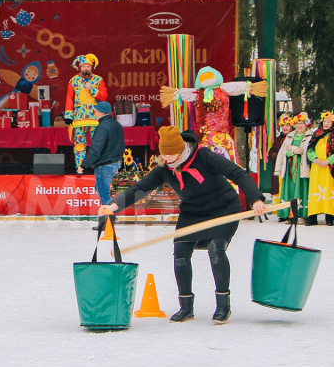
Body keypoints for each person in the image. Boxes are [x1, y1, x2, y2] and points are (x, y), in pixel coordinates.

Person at [100, 126, 266, 324]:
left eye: (171, 154)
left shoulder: (204, 156)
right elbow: (140, 188)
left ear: (181, 149)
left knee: (216, 249)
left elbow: (237, 173)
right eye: (164, 154)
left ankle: (223, 306)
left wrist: (256, 199)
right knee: (180, 252)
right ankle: (186, 307)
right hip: (192, 211)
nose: (167, 158)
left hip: (223, 208)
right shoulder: (164, 169)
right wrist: (114, 206)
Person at [77, 101, 125, 230]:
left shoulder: (102, 127)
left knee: (104, 194)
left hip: (104, 164)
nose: (95, 112)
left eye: (96, 110)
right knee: (99, 188)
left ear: (101, 112)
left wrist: (83, 165)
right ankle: (111, 215)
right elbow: (121, 145)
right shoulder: (117, 125)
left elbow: (95, 149)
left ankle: (106, 222)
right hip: (113, 163)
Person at [64, 54, 108, 168]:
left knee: (97, 143)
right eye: (84, 66)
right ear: (80, 67)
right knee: (79, 144)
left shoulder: (98, 80)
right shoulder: (73, 81)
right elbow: (69, 98)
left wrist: (92, 89)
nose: (86, 69)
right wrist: (68, 115)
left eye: (88, 66)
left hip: (95, 119)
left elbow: (104, 96)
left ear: (91, 67)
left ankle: (97, 166)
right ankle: (80, 167)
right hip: (79, 119)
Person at [274, 113, 313, 223]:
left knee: (302, 190)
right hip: (290, 168)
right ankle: (290, 215)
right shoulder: (290, 136)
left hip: (302, 167)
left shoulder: (310, 136)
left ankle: (303, 215)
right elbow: (284, 152)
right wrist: (294, 151)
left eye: (302, 123)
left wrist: (293, 148)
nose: (299, 126)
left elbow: (306, 151)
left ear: (306, 125)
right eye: (297, 123)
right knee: (290, 190)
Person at [305, 111, 334, 226]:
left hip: (329, 167)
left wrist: (328, 161)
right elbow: (310, 149)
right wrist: (315, 159)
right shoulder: (317, 133)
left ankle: (329, 217)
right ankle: (312, 217)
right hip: (317, 167)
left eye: (329, 122)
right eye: (325, 121)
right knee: (315, 191)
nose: (326, 124)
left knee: (329, 190)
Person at [267, 114, 293, 207]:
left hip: (290, 165)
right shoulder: (278, 139)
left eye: (287, 125)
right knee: (278, 187)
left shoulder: (294, 137)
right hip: (279, 166)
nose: (285, 128)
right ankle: (279, 210)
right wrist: (275, 156)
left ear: (291, 126)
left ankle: (289, 209)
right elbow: (271, 151)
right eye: (283, 125)